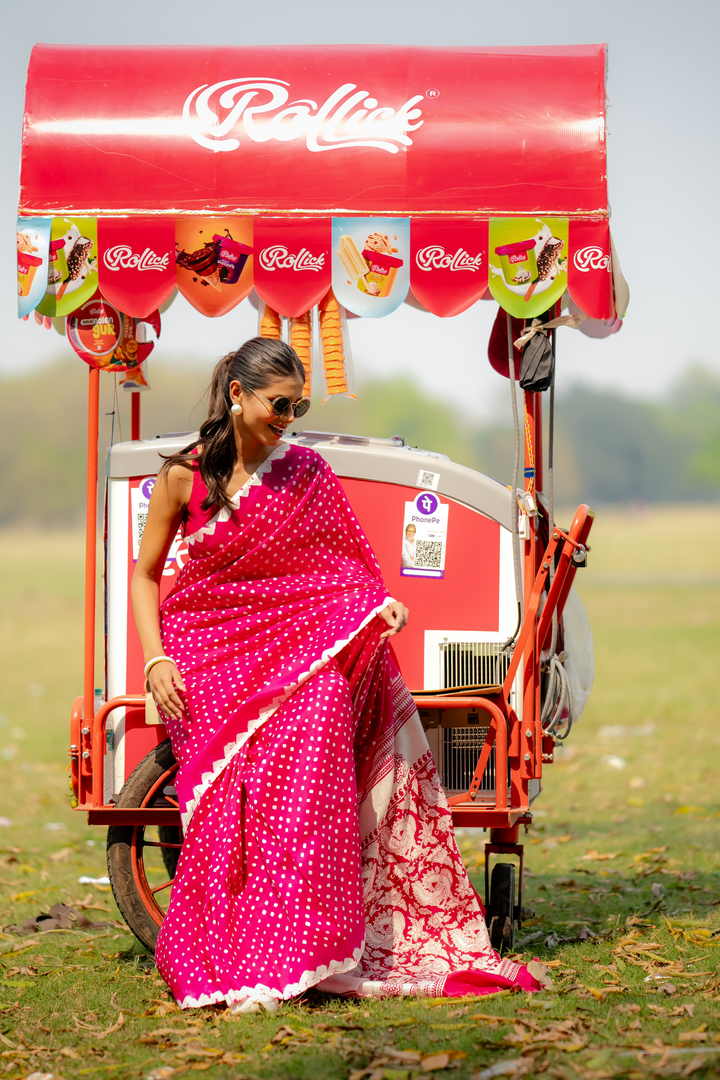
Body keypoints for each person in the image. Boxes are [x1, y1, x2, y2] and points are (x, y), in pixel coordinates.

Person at [132, 336, 549, 1012]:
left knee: (324, 699)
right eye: (278, 403)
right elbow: (146, 575)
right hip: (207, 652)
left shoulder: (307, 474)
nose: (287, 417)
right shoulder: (184, 475)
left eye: (297, 405)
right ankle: (242, 943)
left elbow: (344, 571)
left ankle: (304, 942)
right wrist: (155, 659)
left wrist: (368, 607)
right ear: (236, 396)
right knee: (244, 774)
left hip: (291, 649)